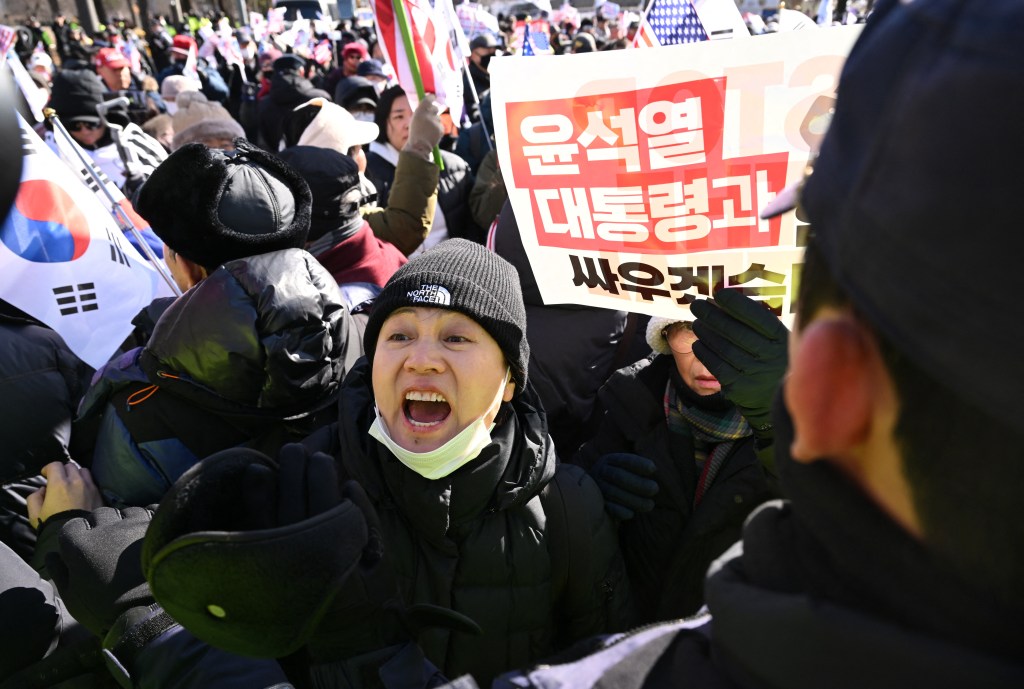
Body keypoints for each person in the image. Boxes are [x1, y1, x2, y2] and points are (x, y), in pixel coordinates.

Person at [35, 240, 632, 689]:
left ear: (508, 382)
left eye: (456, 339)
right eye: (398, 336)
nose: (422, 360)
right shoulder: (304, 480)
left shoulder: (567, 504)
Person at [62, 139, 361, 511]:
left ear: (186, 266)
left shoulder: (140, 411)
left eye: (167, 248)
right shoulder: (370, 339)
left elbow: (117, 551)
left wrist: (64, 520)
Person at [572, 291, 782, 621]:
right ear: (666, 337)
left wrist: (778, 429)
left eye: (729, 334)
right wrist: (587, 493)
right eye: (688, 329)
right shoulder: (626, 400)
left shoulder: (805, 424)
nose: (707, 356)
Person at [282, 95, 441, 256]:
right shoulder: (336, 215)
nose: (362, 155)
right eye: (358, 149)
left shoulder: (283, 209)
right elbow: (403, 228)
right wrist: (418, 147)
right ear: (340, 158)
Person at [368, 86, 482, 251]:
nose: (410, 124)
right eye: (399, 116)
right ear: (384, 122)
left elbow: (472, 227)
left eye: (416, 114)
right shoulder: (368, 174)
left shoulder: (455, 167)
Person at [257, 54, 332, 151]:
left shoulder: (264, 104)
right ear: (301, 72)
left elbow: (264, 141)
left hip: (277, 160)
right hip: (316, 159)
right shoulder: (321, 99)